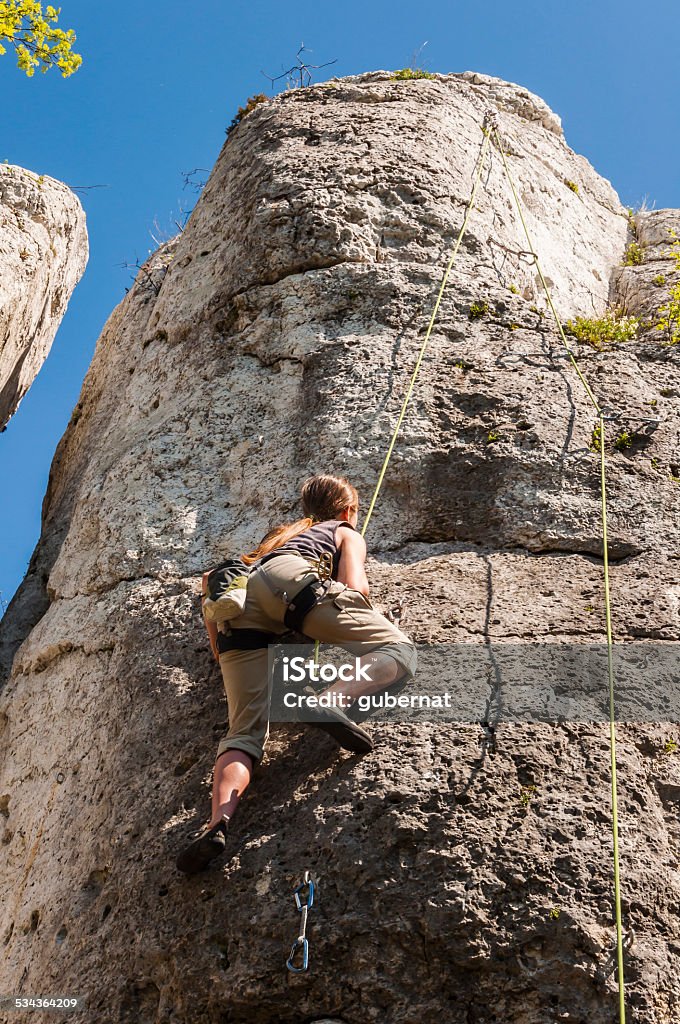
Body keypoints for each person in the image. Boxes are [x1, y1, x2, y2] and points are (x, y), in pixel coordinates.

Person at [176, 474, 417, 874]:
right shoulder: (343, 531)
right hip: (291, 586)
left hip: (240, 610)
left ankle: (216, 823)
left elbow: (209, 584)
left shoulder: (278, 539)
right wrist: (355, 620)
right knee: (401, 651)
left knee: (243, 734)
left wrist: (221, 651)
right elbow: (355, 589)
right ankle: (329, 701)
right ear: (347, 510)